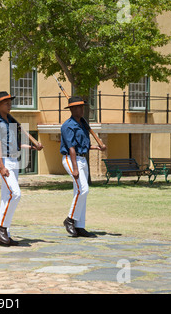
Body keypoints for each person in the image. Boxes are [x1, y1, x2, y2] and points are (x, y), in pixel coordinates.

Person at [0, 91, 43, 246]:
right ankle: (1, 227)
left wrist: (32, 146)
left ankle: (4, 235)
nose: (9, 104)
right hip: (2, 160)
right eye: (6, 102)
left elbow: (16, 144)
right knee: (15, 193)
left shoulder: (11, 122)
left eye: (10, 102)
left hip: (13, 159)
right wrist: (1, 166)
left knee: (7, 197)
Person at [60, 96, 106, 237]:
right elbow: (72, 148)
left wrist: (97, 148)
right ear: (72, 109)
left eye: (82, 107)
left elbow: (83, 145)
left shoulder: (82, 124)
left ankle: (80, 226)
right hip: (71, 158)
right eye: (79, 107)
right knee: (83, 190)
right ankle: (70, 219)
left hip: (82, 159)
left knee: (80, 193)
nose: (81, 109)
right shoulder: (68, 125)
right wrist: (75, 168)